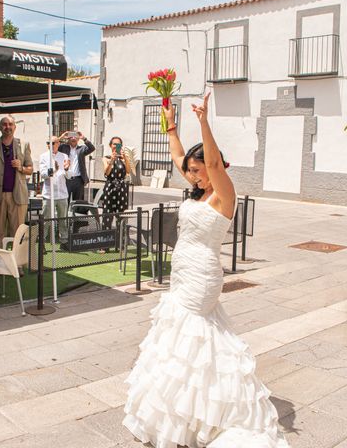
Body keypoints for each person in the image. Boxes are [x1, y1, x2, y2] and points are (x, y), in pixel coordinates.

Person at [123, 93, 288, 448]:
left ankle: (204, 409)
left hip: (202, 276)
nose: (193, 176)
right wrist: (169, 122)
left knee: (192, 331)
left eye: (198, 171)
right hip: (183, 270)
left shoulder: (223, 193)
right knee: (183, 337)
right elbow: (178, 155)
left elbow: (212, 164)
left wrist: (203, 121)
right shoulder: (198, 191)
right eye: (192, 172)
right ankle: (185, 406)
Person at [0, 115, 33, 247]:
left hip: (18, 195)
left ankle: (17, 265)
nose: (7, 127)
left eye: (10, 124)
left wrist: (21, 167)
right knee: (0, 233)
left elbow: (30, 169)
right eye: (4, 124)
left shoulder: (24, 144)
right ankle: (1, 263)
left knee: (18, 233)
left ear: (15, 127)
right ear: (0, 128)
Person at [39, 136, 70, 244]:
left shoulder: (64, 156)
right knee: (46, 221)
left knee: (63, 220)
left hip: (62, 194)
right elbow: (43, 174)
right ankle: (42, 241)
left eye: (52, 143)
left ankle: (64, 241)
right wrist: (54, 171)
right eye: (48, 143)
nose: (50, 145)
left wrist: (66, 169)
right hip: (49, 195)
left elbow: (69, 176)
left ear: (58, 144)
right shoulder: (43, 156)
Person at [100, 136, 130, 231]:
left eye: (118, 144)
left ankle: (121, 239)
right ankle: (106, 241)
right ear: (110, 145)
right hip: (110, 186)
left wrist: (125, 157)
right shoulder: (106, 158)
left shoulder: (124, 158)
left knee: (121, 214)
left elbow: (128, 171)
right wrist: (112, 160)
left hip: (121, 188)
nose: (116, 146)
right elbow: (106, 172)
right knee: (107, 214)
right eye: (114, 144)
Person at [58, 130, 95, 203]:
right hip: (66, 179)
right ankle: (65, 214)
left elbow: (92, 148)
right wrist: (62, 137)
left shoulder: (82, 148)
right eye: (71, 136)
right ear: (68, 138)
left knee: (78, 203)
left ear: (78, 139)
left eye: (75, 136)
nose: (73, 138)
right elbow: (53, 146)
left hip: (78, 180)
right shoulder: (63, 147)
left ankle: (77, 214)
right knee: (65, 201)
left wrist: (83, 138)